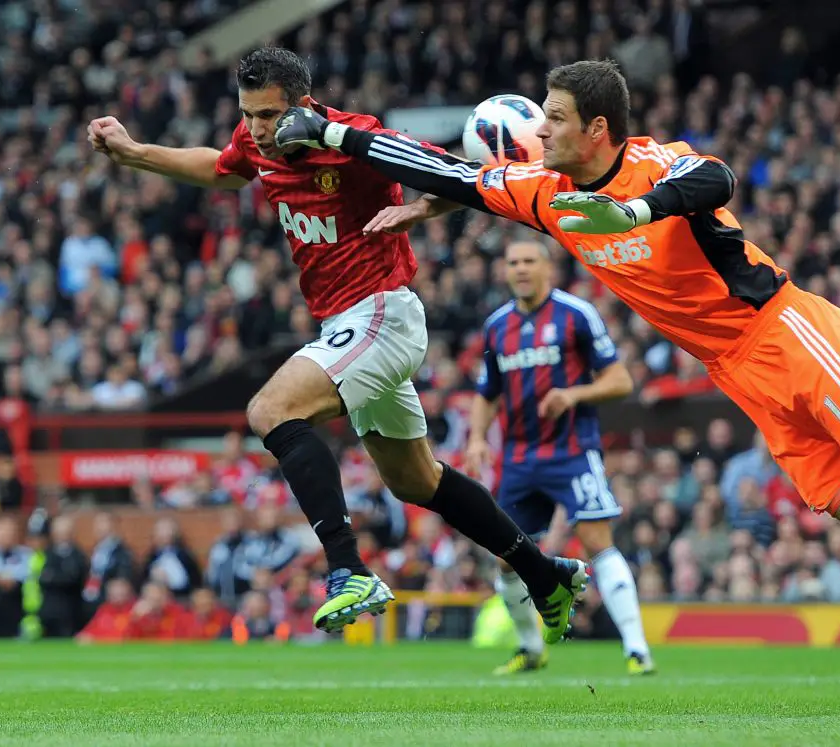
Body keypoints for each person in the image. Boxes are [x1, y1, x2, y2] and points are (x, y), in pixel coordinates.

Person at [274, 58, 840, 713]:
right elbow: (446, 173)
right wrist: (332, 134)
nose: (538, 131)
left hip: (792, 332)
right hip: (740, 373)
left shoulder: (652, 166)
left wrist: (636, 215)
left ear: (596, 129)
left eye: (554, 119)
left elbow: (719, 178)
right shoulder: (547, 196)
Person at [87, 46, 585, 639]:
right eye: (248, 115)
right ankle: (545, 573)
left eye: (269, 116)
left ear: (301, 104)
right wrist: (137, 153)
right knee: (415, 481)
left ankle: (348, 570)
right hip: (345, 324)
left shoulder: (354, 139)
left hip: (382, 313)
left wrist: (418, 213)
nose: (257, 131)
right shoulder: (255, 142)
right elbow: (222, 169)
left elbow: (462, 179)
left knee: (271, 409)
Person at [465, 239, 653, 675]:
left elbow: (621, 379)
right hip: (518, 459)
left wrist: (573, 394)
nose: (521, 268)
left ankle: (637, 649)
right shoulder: (496, 326)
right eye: (513, 261)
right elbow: (486, 393)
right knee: (505, 555)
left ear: (547, 267)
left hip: (572, 452)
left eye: (529, 260)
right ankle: (531, 649)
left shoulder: (576, 314)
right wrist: (476, 438)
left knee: (596, 542)